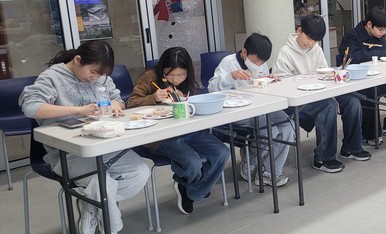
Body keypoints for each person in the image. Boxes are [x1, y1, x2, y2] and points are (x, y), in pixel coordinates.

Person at [19, 40, 150, 234]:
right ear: (78, 60)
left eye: (100, 74)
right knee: (101, 182)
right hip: (67, 152)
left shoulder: (101, 78)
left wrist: (116, 104)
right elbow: (31, 107)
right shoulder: (52, 77)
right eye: (93, 72)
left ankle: (90, 204)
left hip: (104, 145)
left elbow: (118, 99)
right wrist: (78, 110)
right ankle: (111, 219)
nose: (95, 78)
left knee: (140, 172)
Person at [127, 47, 229, 215]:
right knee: (193, 163)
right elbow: (130, 103)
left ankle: (190, 187)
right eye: (170, 75)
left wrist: (185, 99)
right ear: (163, 70)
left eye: (181, 75)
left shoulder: (187, 80)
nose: (175, 79)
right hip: (161, 136)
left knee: (221, 152)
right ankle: (193, 185)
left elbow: (194, 102)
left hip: (189, 130)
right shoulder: (150, 77)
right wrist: (153, 98)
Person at [275, 14, 371, 171]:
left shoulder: (316, 49)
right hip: (300, 99)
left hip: (320, 92)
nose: (310, 43)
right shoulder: (286, 52)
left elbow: (324, 72)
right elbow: (281, 83)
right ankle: (323, 158)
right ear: (299, 31)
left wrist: (331, 76)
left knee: (352, 101)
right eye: (309, 38)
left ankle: (351, 148)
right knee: (328, 105)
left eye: (315, 40)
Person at [209, 33, 295, 186]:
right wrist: (231, 76)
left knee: (288, 125)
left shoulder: (261, 64)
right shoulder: (228, 63)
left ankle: (269, 172)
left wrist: (270, 80)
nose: (259, 64)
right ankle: (250, 161)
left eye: (263, 61)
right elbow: (212, 88)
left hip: (260, 106)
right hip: (237, 110)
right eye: (256, 60)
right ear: (244, 52)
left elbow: (261, 84)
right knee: (270, 129)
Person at [337, 7, 386, 143]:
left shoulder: (380, 37)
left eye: (385, 30)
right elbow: (353, 58)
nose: (383, 33)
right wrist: (384, 53)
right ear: (369, 24)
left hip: (379, 76)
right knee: (370, 90)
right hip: (358, 80)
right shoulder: (352, 36)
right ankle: (371, 134)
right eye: (381, 30)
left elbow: (384, 50)